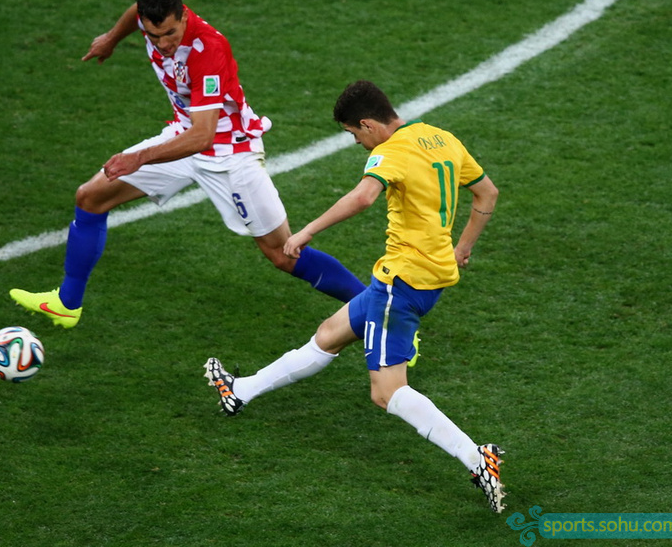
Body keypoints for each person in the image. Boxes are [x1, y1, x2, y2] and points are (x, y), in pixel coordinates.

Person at [204, 80, 506, 513]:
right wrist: (463, 247)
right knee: (329, 334)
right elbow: (487, 192)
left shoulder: (392, 151)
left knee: (386, 393)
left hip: (400, 282)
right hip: (432, 276)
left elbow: (364, 197)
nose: (357, 143)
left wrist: (306, 232)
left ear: (368, 124)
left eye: (353, 134)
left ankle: (477, 458)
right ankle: (241, 391)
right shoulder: (442, 138)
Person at [10, 0, 365, 328]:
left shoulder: (207, 50)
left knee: (283, 253)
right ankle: (67, 303)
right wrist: (111, 39)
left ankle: (378, 309)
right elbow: (135, 11)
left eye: (170, 33)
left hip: (230, 154)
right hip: (183, 137)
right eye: (155, 36)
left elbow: (203, 135)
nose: (164, 43)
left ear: (183, 16)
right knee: (90, 197)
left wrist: (138, 158)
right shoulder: (152, 18)